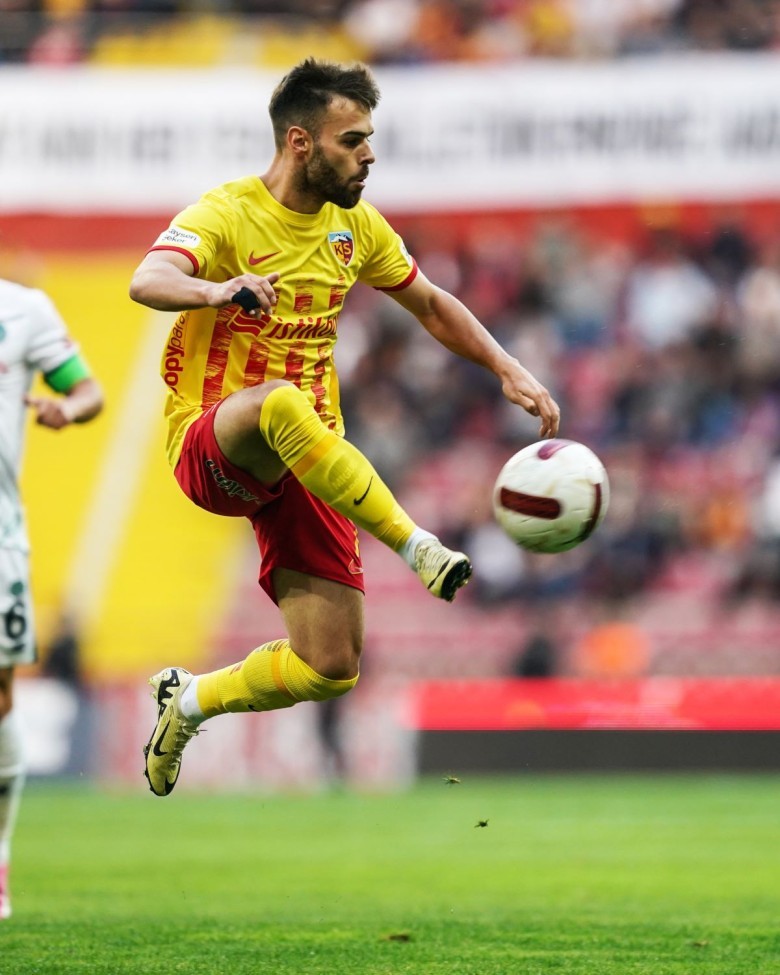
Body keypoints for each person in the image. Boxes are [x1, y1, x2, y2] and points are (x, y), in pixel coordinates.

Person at [129, 57, 560, 798]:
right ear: (301, 142)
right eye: (353, 140)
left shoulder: (355, 227)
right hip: (213, 444)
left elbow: (430, 303)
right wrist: (219, 289)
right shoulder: (226, 213)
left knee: (330, 666)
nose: (369, 155)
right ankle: (416, 544)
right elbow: (149, 279)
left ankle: (189, 701)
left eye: (369, 139)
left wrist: (504, 365)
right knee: (278, 402)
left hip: (309, 460)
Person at [0, 276, 103, 919]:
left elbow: (89, 389)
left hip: (0, 535)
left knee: (1, 696)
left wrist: (70, 408)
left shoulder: (23, 309)